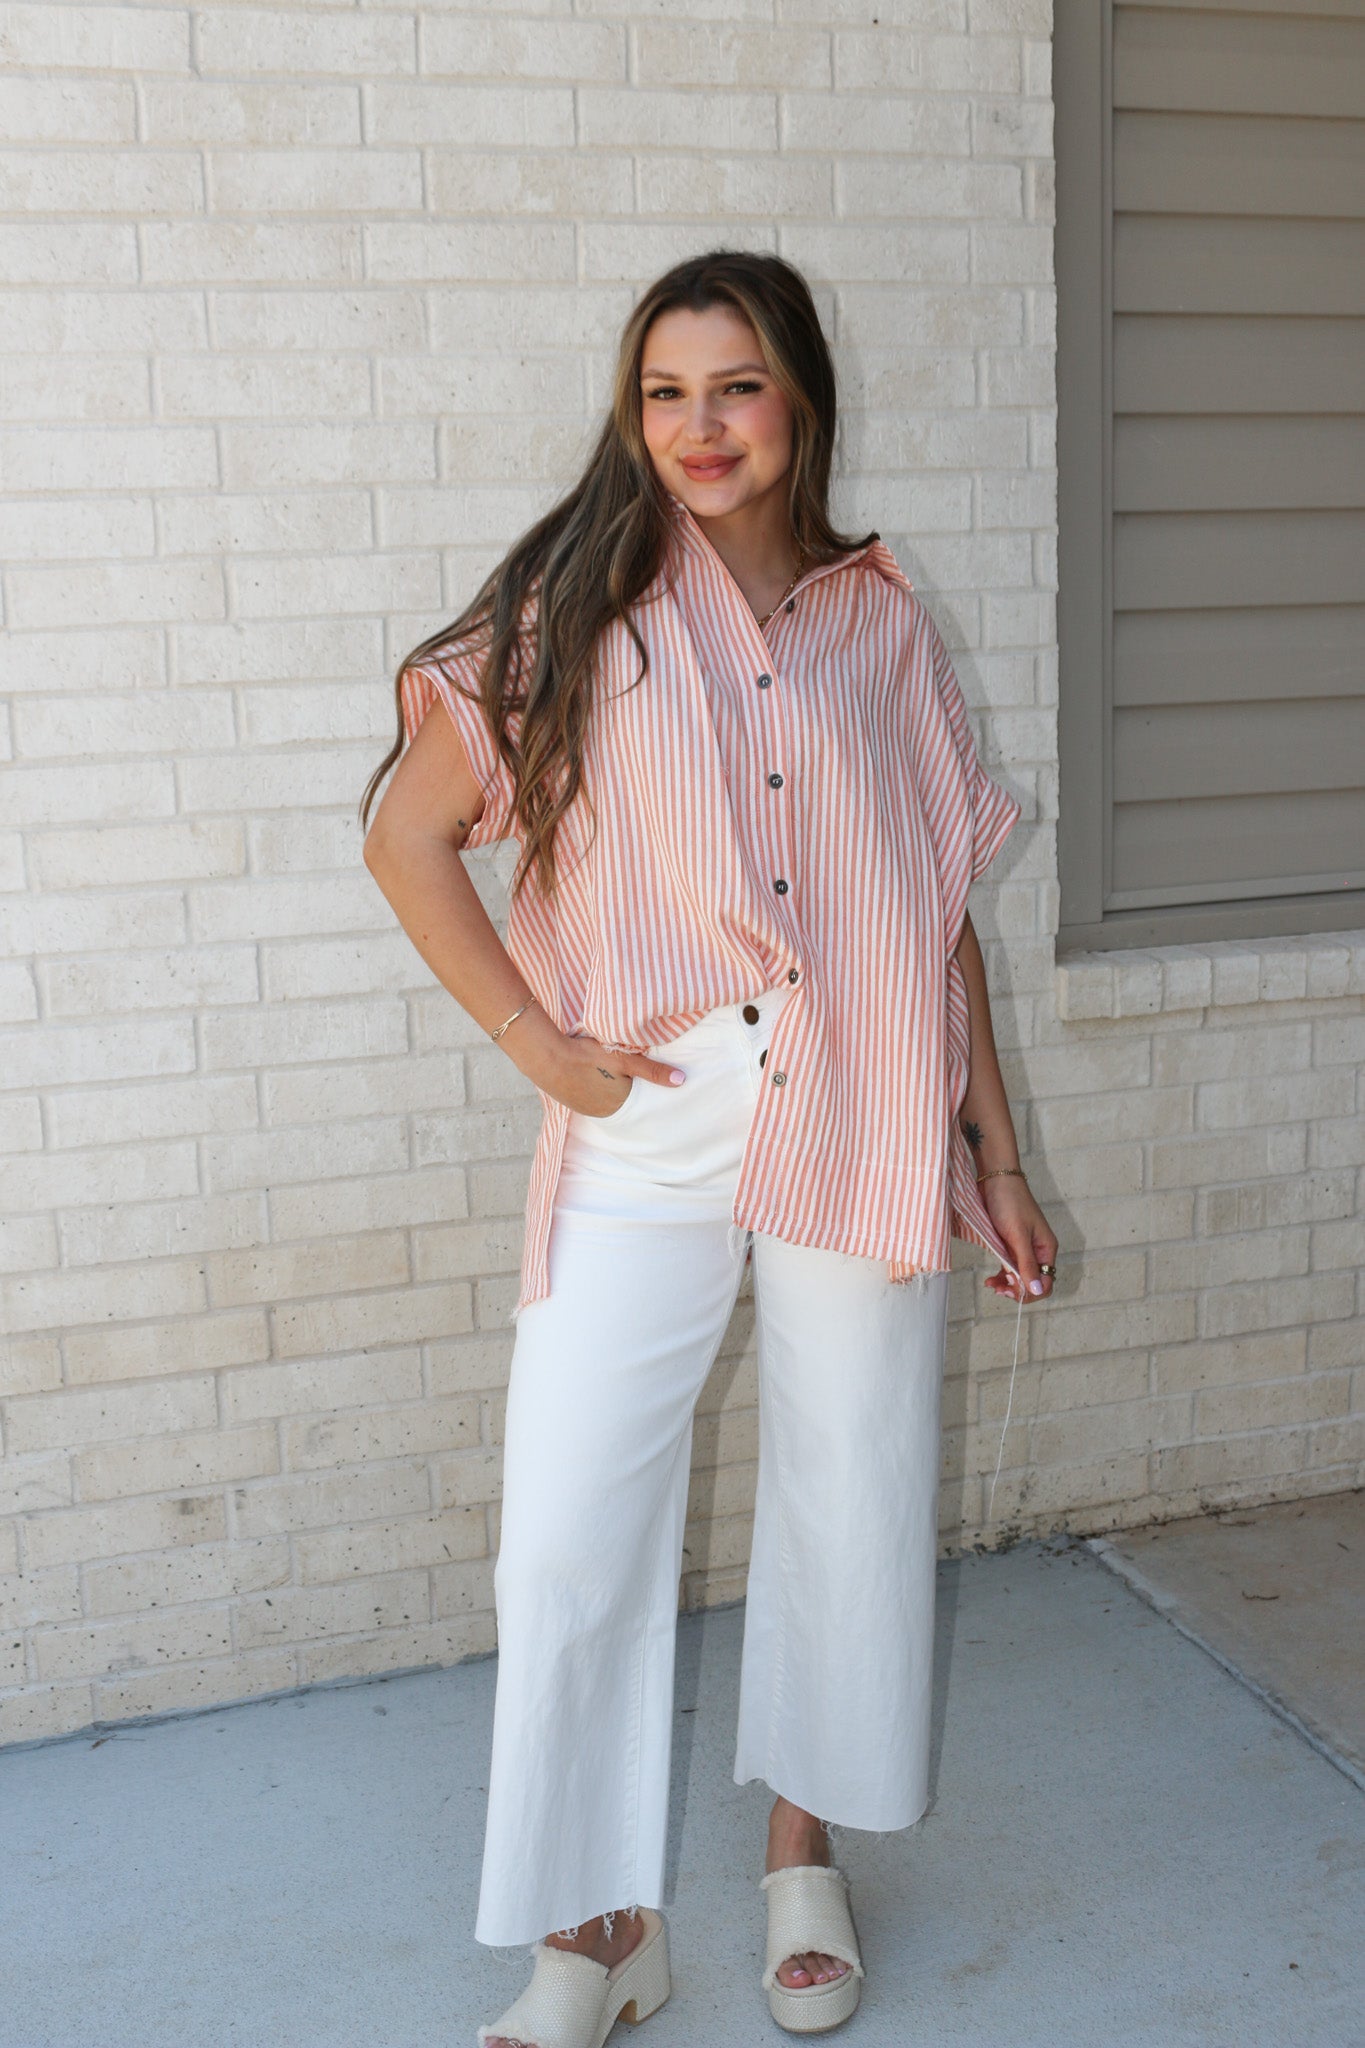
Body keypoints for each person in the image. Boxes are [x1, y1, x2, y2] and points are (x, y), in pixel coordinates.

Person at [362, 248, 1059, 2048]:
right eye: (664, 392)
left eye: (733, 385)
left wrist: (989, 1152)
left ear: (798, 396)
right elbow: (406, 835)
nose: (698, 426)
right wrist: (540, 1047)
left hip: (863, 1099)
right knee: (569, 1532)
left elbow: (929, 910)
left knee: (851, 1482)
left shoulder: (879, 620)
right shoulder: (573, 603)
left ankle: (799, 1859)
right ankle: (597, 1930)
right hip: (651, 1115)